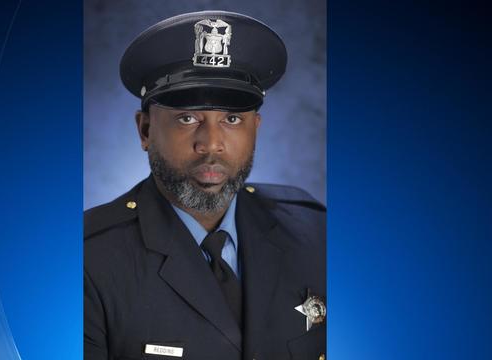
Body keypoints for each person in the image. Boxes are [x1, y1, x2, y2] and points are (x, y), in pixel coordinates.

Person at [84, 11, 326, 360]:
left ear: (255, 128)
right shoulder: (88, 262)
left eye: (231, 118)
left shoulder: (314, 231)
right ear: (146, 131)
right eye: (187, 118)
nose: (211, 144)